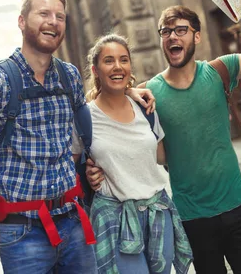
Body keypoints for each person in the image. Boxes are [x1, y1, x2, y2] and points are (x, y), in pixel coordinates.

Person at [0, 0, 154, 273]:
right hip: (22, 233)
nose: (53, 21)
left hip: (73, 221)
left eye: (60, 16)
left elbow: (91, 106)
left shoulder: (69, 75)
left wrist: (127, 92)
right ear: (22, 22)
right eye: (44, 13)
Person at [88, 0, 241, 273]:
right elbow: (106, 110)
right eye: (166, 31)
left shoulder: (220, 70)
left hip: (238, 207)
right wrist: (93, 166)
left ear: (196, 37)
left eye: (181, 30)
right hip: (192, 219)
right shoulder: (148, 94)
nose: (173, 37)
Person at [78, 34, 192, 274]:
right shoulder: (84, 118)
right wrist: (87, 172)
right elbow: (72, 163)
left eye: (124, 60)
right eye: (108, 61)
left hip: (158, 212)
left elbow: (161, 157)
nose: (118, 66)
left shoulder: (145, 108)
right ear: (95, 70)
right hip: (114, 219)